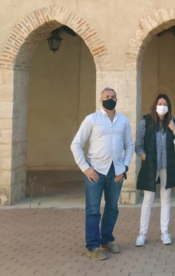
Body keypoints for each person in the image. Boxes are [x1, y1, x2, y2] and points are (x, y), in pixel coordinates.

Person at [70, 87, 133, 261]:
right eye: (107, 97)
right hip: (95, 171)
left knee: (112, 208)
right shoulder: (92, 119)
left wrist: (125, 167)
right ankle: (92, 246)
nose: (110, 99)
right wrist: (85, 168)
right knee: (93, 210)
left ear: (117, 99)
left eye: (113, 97)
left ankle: (106, 241)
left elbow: (130, 145)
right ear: (101, 100)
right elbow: (76, 144)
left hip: (116, 172)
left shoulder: (123, 121)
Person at [135, 94, 175, 247]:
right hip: (151, 167)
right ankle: (142, 234)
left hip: (166, 167)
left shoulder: (173, 121)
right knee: (148, 200)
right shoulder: (146, 122)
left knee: (165, 199)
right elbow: (138, 145)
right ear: (155, 105)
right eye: (159, 103)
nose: (162, 106)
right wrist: (146, 158)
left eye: (164, 104)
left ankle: (165, 232)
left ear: (168, 106)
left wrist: (174, 130)